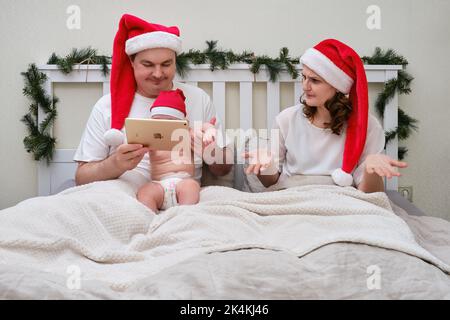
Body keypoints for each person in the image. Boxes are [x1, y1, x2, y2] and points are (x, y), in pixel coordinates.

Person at [74, 14, 232, 189]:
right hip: (124, 195)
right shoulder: (106, 106)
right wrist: (115, 164)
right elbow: (81, 178)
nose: (158, 74)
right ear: (132, 62)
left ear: (175, 62)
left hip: (183, 196)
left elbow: (223, 169)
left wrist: (210, 153)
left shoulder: (198, 98)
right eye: (148, 65)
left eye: (166, 64)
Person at [243, 39, 407, 193]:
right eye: (304, 77)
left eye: (314, 80)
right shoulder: (286, 120)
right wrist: (266, 167)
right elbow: (270, 183)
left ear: (338, 87)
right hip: (292, 197)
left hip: (341, 200)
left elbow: (370, 195)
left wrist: (372, 172)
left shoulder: (368, 126)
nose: (305, 86)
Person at [136, 89, 203, 212]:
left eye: (169, 123)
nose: (163, 128)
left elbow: (203, 135)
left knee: (191, 187)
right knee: (144, 192)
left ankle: (184, 214)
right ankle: (151, 218)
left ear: (184, 124)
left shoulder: (187, 135)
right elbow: (137, 147)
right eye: (158, 123)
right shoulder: (150, 138)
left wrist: (206, 136)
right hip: (159, 185)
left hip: (183, 181)